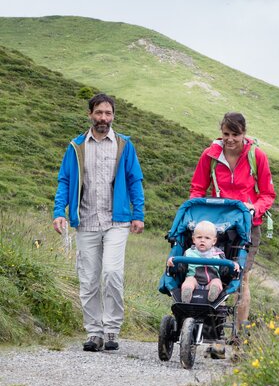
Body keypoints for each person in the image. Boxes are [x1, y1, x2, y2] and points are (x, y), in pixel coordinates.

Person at [52, 93, 145, 352]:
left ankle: (112, 329)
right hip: (86, 220)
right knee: (89, 278)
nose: (103, 118)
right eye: (99, 113)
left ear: (113, 116)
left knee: (112, 274)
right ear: (90, 114)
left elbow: (135, 180)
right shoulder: (77, 146)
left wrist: (138, 214)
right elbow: (65, 180)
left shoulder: (124, 145)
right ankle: (94, 333)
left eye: (108, 113)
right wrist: (60, 211)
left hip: (117, 221)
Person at [190, 112, 276, 328]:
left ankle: (239, 332)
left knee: (241, 278)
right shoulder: (210, 155)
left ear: (243, 134)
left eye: (235, 135)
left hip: (246, 226)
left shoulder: (257, 157)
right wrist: (197, 212)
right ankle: (207, 322)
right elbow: (198, 188)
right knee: (209, 268)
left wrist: (254, 208)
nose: (229, 139)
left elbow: (268, 194)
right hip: (216, 225)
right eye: (226, 134)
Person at [167, 220, 239, 303]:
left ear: (214, 241)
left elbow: (224, 270)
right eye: (199, 237)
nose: (202, 240)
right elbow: (181, 268)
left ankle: (213, 293)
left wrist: (233, 265)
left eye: (207, 238)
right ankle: (186, 294)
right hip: (194, 279)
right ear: (193, 239)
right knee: (189, 281)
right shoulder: (189, 252)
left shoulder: (218, 254)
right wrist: (173, 262)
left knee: (217, 282)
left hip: (212, 279)